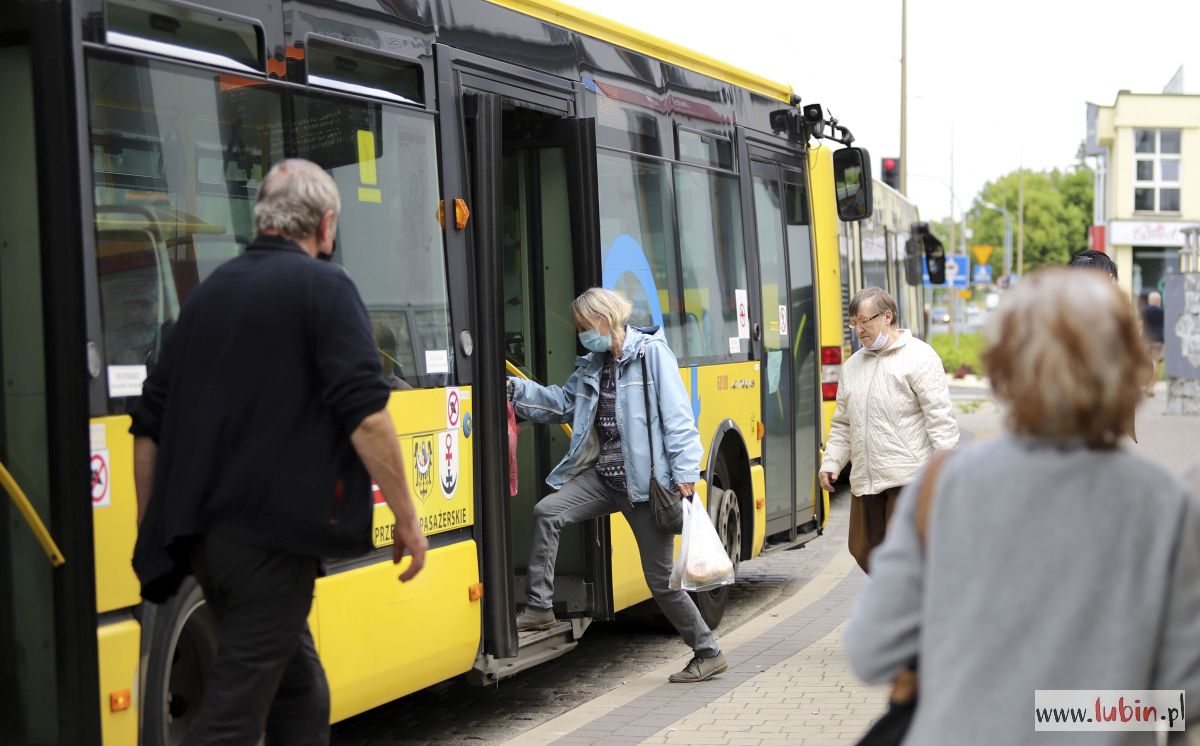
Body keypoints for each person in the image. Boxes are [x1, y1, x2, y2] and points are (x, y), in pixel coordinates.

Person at [131, 159, 428, 745]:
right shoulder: (327, 287)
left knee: (299, 693)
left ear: (262, 218)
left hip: (206, 544)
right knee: (234, 716)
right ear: (325, 225)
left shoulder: (208, 294)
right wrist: (408, 516)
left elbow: (149, 427)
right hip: (271, 543)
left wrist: (153, 524)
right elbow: (367, 418)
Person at [844, 268, 1199, 743]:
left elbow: (871, 649)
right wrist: (1072, 708)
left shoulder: (944, 488)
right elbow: (1184, 697)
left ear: (1004, 368)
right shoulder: (1165, 504)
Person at [507, 288, 727, 683]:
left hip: (646, 490)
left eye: (583, 326)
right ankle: (539, 607)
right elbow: (560, 404)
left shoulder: (650, 356)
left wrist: (684, 473)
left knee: (661, 583)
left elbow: (677, 418)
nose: (581, 334)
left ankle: (708, 651)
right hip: (605, 479)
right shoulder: (594, 364)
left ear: (604, 321)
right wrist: (514, 390)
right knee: (547, 512)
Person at [818, 287, 958, 573]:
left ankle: (908, 608)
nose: (858, 330)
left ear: (887, 316)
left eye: (864, 321)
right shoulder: (853, 366)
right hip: (866, 479)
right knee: (862, 549)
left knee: (904, 555)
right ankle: (902, 601)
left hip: (908, 478)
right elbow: (843, 422)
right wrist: (831, 462)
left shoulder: (920, 357)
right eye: (853, 323)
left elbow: (940, 419)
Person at [376, 326, 412, 390]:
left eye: (389, 355)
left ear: (394, 356)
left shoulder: (405, 390)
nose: (384, 362)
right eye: (379, 355)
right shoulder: (361, 387)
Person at [1143, 290, 1165, 395]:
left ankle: (1146, 385)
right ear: (1159, 300)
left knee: (1145, 362)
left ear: (1150, 300)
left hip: (1146, 339)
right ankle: (1150, 388)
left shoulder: (1145, 311)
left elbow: (1140, 324)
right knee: (1155, 362)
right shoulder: (1163, 311)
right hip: (1159, 340)